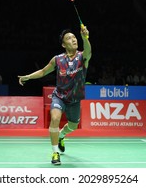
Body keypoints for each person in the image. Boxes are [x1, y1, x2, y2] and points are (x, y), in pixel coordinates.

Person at [18, 25, 91, 165]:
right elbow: (43, 71)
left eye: (74, 37)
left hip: (74, 99)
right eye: (69, 38)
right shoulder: (57, 59)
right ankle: (55, 152)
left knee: (73, 126)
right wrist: (27, 77)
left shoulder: (83, 57)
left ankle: (62, 135)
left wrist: (84, 37)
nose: (73, 40)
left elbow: (88, 50)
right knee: (55, 118)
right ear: (64, 44)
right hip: (59, 96)